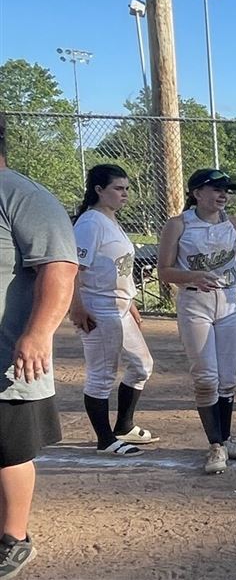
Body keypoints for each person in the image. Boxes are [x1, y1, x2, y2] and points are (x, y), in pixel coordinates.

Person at [0, 113, 78, 577]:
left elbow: (59, 267)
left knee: (8, 450)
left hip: (8, 351)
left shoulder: (22, 194)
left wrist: (36, 334)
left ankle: (14, 539)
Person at [157, 168, 236, 475]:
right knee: (206, 378)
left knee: (229, 378)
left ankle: (227, 439)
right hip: (195, 303)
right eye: (215, 189)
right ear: (196, 193)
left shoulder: (234, 223)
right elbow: (164, 271)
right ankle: (216, 445)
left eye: (227, 190)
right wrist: (192, 275)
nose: (223, 195)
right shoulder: (179, 224)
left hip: (229, 304)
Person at [69, 164, 158, 457]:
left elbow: (118, 267)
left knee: (142, 365)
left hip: (119, 306)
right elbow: (73, 270)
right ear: (98, 190)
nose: (125, 194)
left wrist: (130, 301)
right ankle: (105, 439)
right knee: (101, 374)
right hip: (98, 306)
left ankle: (124, 426)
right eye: (118, 189)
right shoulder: (90, 223)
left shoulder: (110, 220)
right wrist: (77, 306)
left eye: (127, 189)